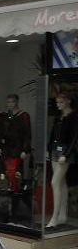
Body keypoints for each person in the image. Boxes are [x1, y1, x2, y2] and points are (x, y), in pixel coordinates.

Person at [47, 92, 78, 228]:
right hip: (55, 150)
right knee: (61, 182)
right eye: (57, 102)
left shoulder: (74, 116)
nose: (58, 105)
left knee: (55, 182)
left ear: (68, 102)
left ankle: (54, 217)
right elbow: (53, 134)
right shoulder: (59, 117)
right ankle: (62, 215)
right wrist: (48, 150)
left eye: (61, 102)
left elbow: (74, 137)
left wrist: (67, 153)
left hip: (65, 152)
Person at [0, 94, 31, 193]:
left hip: (18, 147)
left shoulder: (24, 115)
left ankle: (16, 190)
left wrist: (25, 149)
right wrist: (0, 146)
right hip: (7, 147)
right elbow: (2, 132)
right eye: (8, 102)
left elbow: (27, 133)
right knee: (8, 169)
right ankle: (12, 189)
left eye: (12, 102)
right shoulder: (7, 116)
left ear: (16, 102)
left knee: (15, 170)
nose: (10, 104)